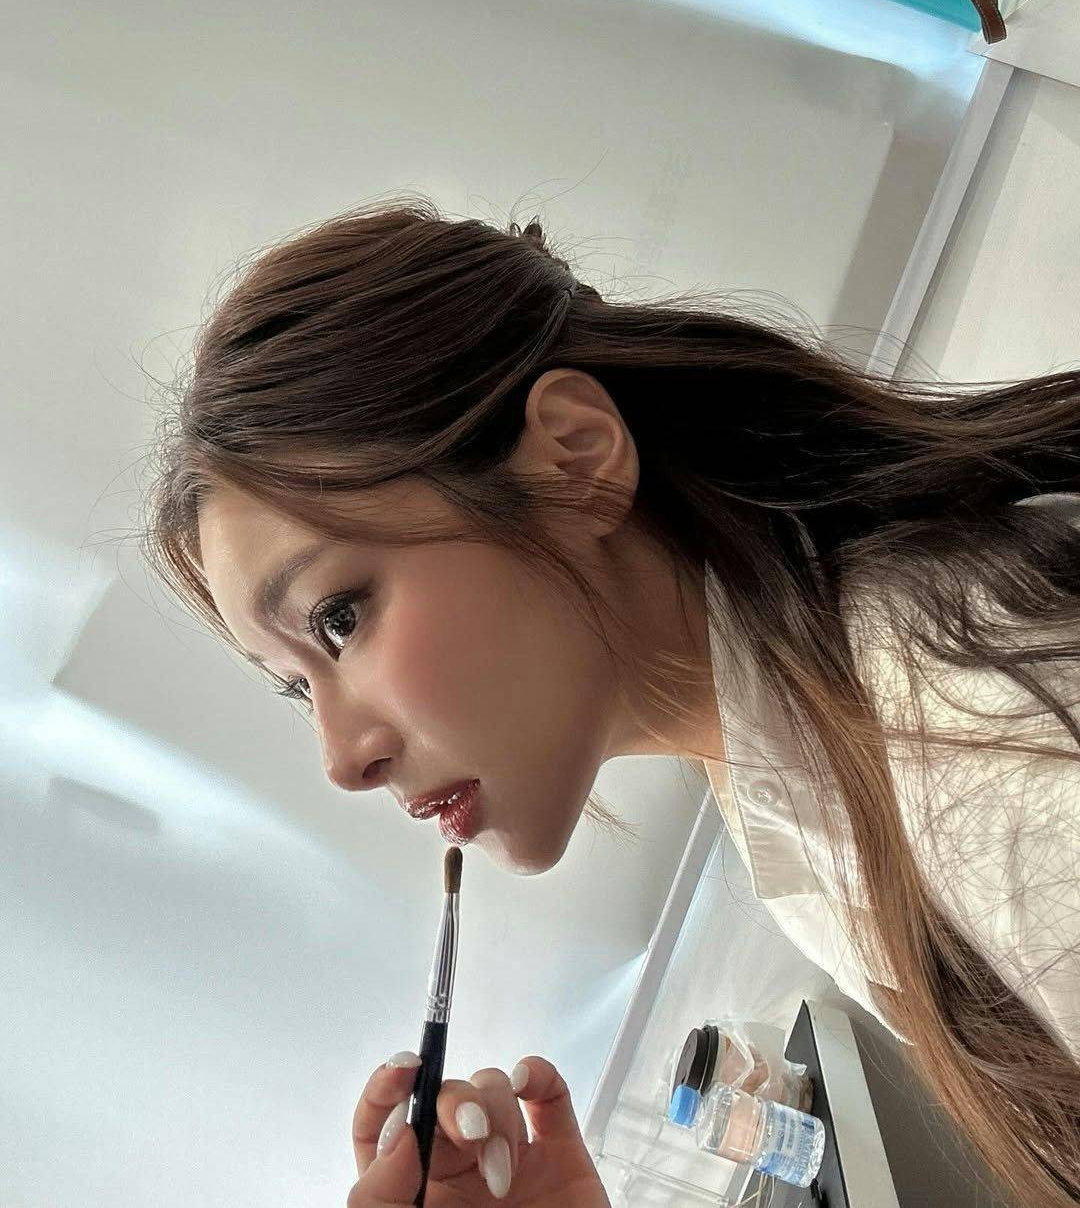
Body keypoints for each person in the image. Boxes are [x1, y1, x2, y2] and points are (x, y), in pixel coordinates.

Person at [141, 197, 1080, 1207]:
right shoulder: (781, 771)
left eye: (338, 619)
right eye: (297, 686)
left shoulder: (971, 734)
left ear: (574, 463)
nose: (340, 759)